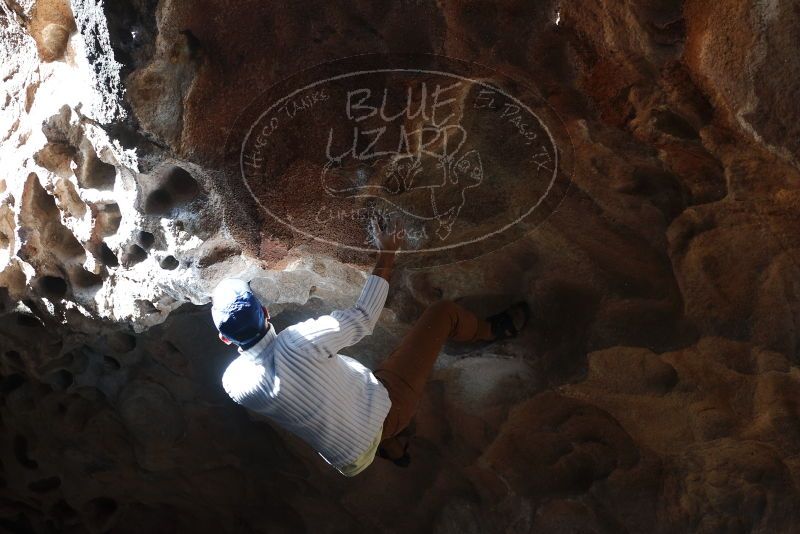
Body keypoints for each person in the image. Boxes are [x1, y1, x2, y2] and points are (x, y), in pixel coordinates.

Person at [211, 219, 529, 476]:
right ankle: (493, 331)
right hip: (382, 412)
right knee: (442, 314)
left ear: (225, 339)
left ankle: (393, 448)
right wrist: (387, 252)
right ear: (265, 311)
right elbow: (363, 317)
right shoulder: (298, 341)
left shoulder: (234, 383)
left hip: (345, 460)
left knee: (358, 404)